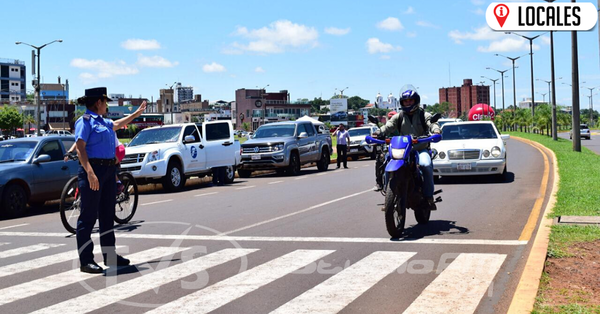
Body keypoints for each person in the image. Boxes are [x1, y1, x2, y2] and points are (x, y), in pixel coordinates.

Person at [74, 87, 147, 274]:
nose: (106, 105)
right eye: (105, 102)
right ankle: (86, 260)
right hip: (94, 170)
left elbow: (118, 123)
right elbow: (80, 149)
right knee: (88, 216)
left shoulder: (105, 122)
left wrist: (137, 114)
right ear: (98, 102)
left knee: (107, 215)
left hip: (108, 170)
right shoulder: (85, 121)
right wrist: (90, 173)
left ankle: (110, 256)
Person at [375, 85, 441, 210]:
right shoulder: (399, 116)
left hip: (420, 148)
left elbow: (432, 123)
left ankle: (428, 197)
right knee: (387, 161)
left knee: (426, 165)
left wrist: (436, 131)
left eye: (410, 100)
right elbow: (388, 126)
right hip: (403, 149)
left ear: (416, 101)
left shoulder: (423, 114)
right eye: (406, 101)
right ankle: (388, 196)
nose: (408, 103)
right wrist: (378, 132)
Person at [373, 111, 398, 192]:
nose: (392, 120)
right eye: (390, 118)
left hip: (401, 150)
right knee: (380, 159)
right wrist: (376, 136)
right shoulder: (385, 128)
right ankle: (379, 182)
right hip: (389, 150)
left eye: (393, 118)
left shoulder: (402, 127)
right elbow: (378, 135)